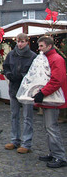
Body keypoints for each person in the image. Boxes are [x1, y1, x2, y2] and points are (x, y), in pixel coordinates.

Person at [33, 36, 67, 168]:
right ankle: (53, 153)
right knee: (49, 127)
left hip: (52, 99)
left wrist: (43, 92)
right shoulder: (48, 58)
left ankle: (59, 156)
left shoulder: (56, 59)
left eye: (41, 46)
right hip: (49, 98)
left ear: (48, 46)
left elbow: (56, 80)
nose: (39, 48)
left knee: (52, 128)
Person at [3, 33, 37, 154]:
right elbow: (5, 67)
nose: (20, 44)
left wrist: (23, 77)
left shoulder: (33, 56)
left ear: (27, 42)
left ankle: (26, 143)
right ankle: (14, 140)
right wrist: (8, 75)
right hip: (14, 89)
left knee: (27, 117)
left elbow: (35, 73)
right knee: (14, 116)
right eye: (18, 41)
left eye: (22, 41)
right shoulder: (11, 54)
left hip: (27, 91)